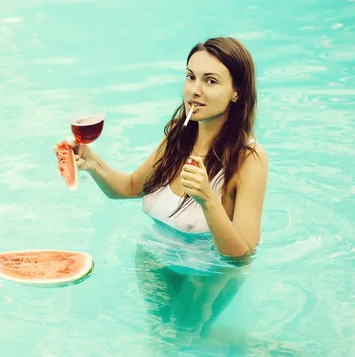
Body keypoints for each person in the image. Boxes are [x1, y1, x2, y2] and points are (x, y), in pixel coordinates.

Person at [65, 37, 269, 350]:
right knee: (162, 342)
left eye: (210, 81)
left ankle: (258, 349)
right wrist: (92, 164)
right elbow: (132, 187)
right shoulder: (179, 133)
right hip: (154, 258)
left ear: (236, 92)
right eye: (191, 77)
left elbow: (241, 255)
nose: (195, 90)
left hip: (208, 271)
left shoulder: (248, 159)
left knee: (182, 340)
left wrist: (207, 199)